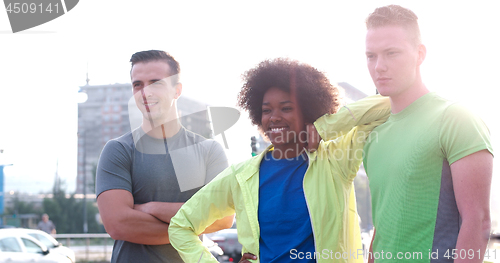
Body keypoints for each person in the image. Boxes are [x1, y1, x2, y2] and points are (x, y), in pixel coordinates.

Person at [169, 58, 391, 263]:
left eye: (286, 108)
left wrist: (325, 128)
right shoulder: (240, 176)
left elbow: (388, 104)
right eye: (266, 111)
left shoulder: (334, 159)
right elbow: (180, 226)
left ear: (308, 112)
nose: (274, 117)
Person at [362, 5, 494, 263]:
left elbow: (478, 222)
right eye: (371, 56)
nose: (379, 66)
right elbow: (382, 227)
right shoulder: (374, 136)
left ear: (420, 53)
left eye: (391, 53)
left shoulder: (455, 118)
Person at [95, 50, 234, 263]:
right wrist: (191, 224)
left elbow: (223, 218)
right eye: (137, 84)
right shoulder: (118, 150)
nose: (145, 92)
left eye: (155, 83)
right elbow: (118, 224)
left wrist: (151, 208)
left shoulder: (209, 151)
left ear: (177, 90)